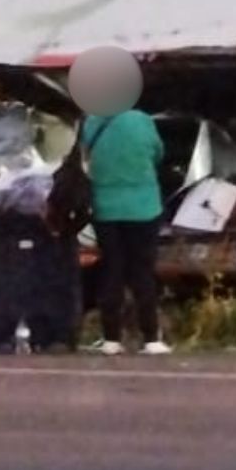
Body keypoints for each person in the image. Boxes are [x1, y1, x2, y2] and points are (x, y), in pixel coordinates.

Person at [84, 105, 168, 356]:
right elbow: (158, 154)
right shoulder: (142, 120)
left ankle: (111, 339)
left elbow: (85, 158)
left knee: (112, 271)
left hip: (106, 208)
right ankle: (151, 338)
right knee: (142, 272)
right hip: (144, 208)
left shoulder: (91, 123)